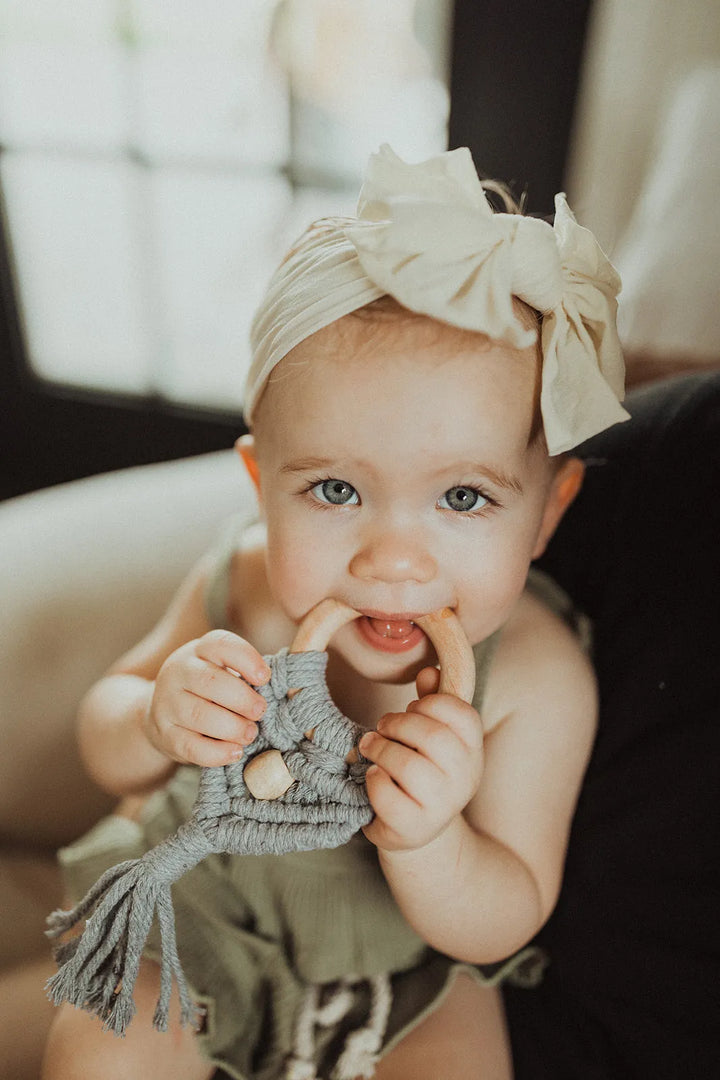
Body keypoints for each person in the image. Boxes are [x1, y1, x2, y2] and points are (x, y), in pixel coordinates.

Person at [41, 144, 628, 1080]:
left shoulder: (537, 676)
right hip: (200, 914)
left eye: (466, 499)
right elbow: (104, 738)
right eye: (335, 491)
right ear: (259, 485)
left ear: (546, 514)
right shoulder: (240, 586)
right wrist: (155, 717)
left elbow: (511, 905)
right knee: (102, 1045)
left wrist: (431, 837)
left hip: (403, 969)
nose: (392, 559)